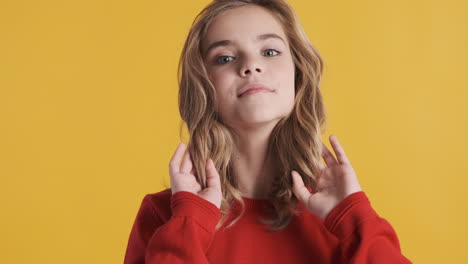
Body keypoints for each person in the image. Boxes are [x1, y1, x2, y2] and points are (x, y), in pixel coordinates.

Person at [124, 0, 412, 263]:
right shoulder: (167, 214)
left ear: (299, 73)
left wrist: (352, 218)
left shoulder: (340, 217)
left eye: (270, 51)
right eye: (224, 58)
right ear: (203, 86)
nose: (251, 66)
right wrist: (189, 222)